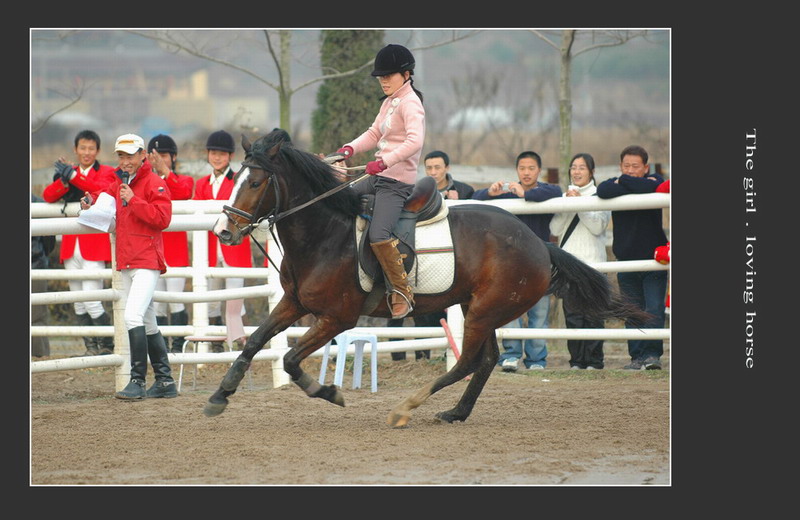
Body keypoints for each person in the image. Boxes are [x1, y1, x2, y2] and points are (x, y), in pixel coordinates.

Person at [331, 43, 425, 320]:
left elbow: (415, 141)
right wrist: (348, 149)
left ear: (406, 74)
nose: (383, 80)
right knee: (339, 203)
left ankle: (401, 290)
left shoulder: (411, 104)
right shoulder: (389, 102)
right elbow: (373, 133)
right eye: (381, 77)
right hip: (378, 176)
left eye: (389, 75)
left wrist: (385, 161)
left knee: (379, 234)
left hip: (396, 183)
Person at [80, 133, 177, 399]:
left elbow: (162, 218)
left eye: (130, 156)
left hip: (146, 260)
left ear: (142, 155)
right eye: (121, 156)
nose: (125, 161)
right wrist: (89, 202)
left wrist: (133, 199)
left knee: (132, 316)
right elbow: (105, 203)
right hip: (128, 260)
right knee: (147, 320)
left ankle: (137, 379)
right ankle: (165, 381)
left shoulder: (154, 183)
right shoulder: (119, 184)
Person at [473, 150, 562, 371]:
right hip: (511, 266)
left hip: (541, 264)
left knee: (539, 316)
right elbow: (476, 200)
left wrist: (525, 194)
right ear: (516, 170)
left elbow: (556, 190)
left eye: (531, 168)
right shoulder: (509, 194)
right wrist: (490, 193)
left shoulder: (545, 191)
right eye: (522, 168)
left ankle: (536, 360)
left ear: (539, 170)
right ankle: (510, 355)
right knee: (509, 311)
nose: (526, 172)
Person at [41, 129, 117, 356]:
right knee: (78, 302)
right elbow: (48, 196)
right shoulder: (69, 172)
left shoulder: (107, 171)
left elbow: (98, 189)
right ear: (76, 149)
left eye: (91, 148)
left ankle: (108, 346)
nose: (86, 152)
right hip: (70, 245)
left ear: (98, 151)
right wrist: (64, 181)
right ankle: (91, 348)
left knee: (93, 300)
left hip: (94, 243)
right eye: (82, 148)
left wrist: (73, 178)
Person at [597, 145, 668, 370]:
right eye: (625, 166)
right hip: (626, 260)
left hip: (654, 261)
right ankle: (636, 357)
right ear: (620, 166)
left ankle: (652, 356)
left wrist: (625, 183)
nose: (629, 170)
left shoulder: (656, 181)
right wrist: (630, 184)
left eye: (635, 166)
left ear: (646, 167)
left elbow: (649, 186)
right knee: (631, 309)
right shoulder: (613, 183)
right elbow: (603, 191)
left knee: (654, 308)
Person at [549, 153, 610, 370]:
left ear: (591, 172)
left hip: (594, 262)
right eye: (573, 167)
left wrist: (580, 204)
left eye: (582, 168)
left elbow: (597, 227)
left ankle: (595, 361)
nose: (576, 172)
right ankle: (576, 362)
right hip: (569, 264)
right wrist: (567, 203)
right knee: (573, 316)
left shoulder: (599, 196)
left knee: (593, 315)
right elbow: (555, 230)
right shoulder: (565, 196)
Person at [193, 129, 251, 351]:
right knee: (211, 301)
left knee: (236, 300)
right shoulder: (201, 185)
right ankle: (216, 345)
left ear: (230, 156)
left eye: (222, 154)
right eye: (213, 153)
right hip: (209, 249)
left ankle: (243, 344)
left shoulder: (238, 180)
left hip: (234, 248)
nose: (217, 157)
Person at [147, 134, 194, 353]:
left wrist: (165, 172)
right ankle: (159, 347)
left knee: (175, 300)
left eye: (163, 155)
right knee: (156, 302)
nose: (158, 160)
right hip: (152, 249)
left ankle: (178, 346)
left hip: (175, 250)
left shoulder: (184, 180)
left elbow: (183, 193)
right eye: (154, 156)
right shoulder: (144, 181)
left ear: (173, 157)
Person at [31, 194, 56, 357]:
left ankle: (39, 355)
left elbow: (49, 239)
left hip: (35, 262)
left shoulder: (39, 204)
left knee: (37, 313)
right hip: (37, 260)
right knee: (37, 314)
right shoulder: (38, 203)